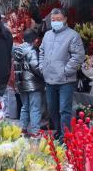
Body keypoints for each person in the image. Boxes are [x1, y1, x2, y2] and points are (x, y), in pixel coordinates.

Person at [38, 8, 85, 140]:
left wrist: (66, 70)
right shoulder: (47, 35)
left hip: (66, 81)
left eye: (58, 20)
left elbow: (79, 56)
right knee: (52, 109)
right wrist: (42, 67)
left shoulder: (73, 35)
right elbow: (41, 52)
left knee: (64, 110)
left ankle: (66, 136)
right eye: (53, 20)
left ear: (65, 19)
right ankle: (58, 131)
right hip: (49, 79)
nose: (56, 22)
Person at [14, 28, 44, 135]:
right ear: (34, 39)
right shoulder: (31, 51)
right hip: (33, 84)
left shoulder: (17, 50)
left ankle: (23, 129)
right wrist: (44, 75)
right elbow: (36, 67)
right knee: (35, 108)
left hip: (21, 83)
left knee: (25, 107)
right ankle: (35, 131)